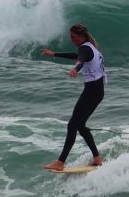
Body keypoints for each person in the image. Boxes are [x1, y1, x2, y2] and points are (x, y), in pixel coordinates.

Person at [41, 23, 106, 171]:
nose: (71, 39)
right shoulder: (91, 47)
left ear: (81, 36)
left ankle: (60, 162)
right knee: (80, 126)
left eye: (73, 37)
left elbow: (81, 60)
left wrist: (76, 69)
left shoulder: (85, 48)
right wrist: (55, 54)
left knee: (72, 125)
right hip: (98, 91)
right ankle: (97, 158)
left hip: (92, 91)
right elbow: (78, 56)